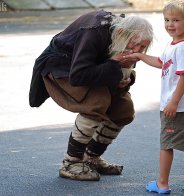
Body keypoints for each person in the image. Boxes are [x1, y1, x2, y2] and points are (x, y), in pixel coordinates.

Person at [29, 10, 153, 181]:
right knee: (96, 102)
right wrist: (114, 66)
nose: (137, 51)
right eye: (135, 44)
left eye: (142, 47)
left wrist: (125, 78)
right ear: (121, 34)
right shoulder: (94, 30)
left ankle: (91, 158)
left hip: (91, 69)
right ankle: (71, 163)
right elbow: (79, 75)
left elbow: (118, 67)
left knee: (123, 110)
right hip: (62, 67)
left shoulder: (124, 33)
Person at [124, 0, 184, 193]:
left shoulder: (182, 48)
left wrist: (173, 102)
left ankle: (162, 183)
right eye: (167, 20)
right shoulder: (174, 45)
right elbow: (161, 62)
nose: (170, 24)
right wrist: (139, 56)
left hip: (175, 107)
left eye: (176, 20)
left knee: (166, 145)